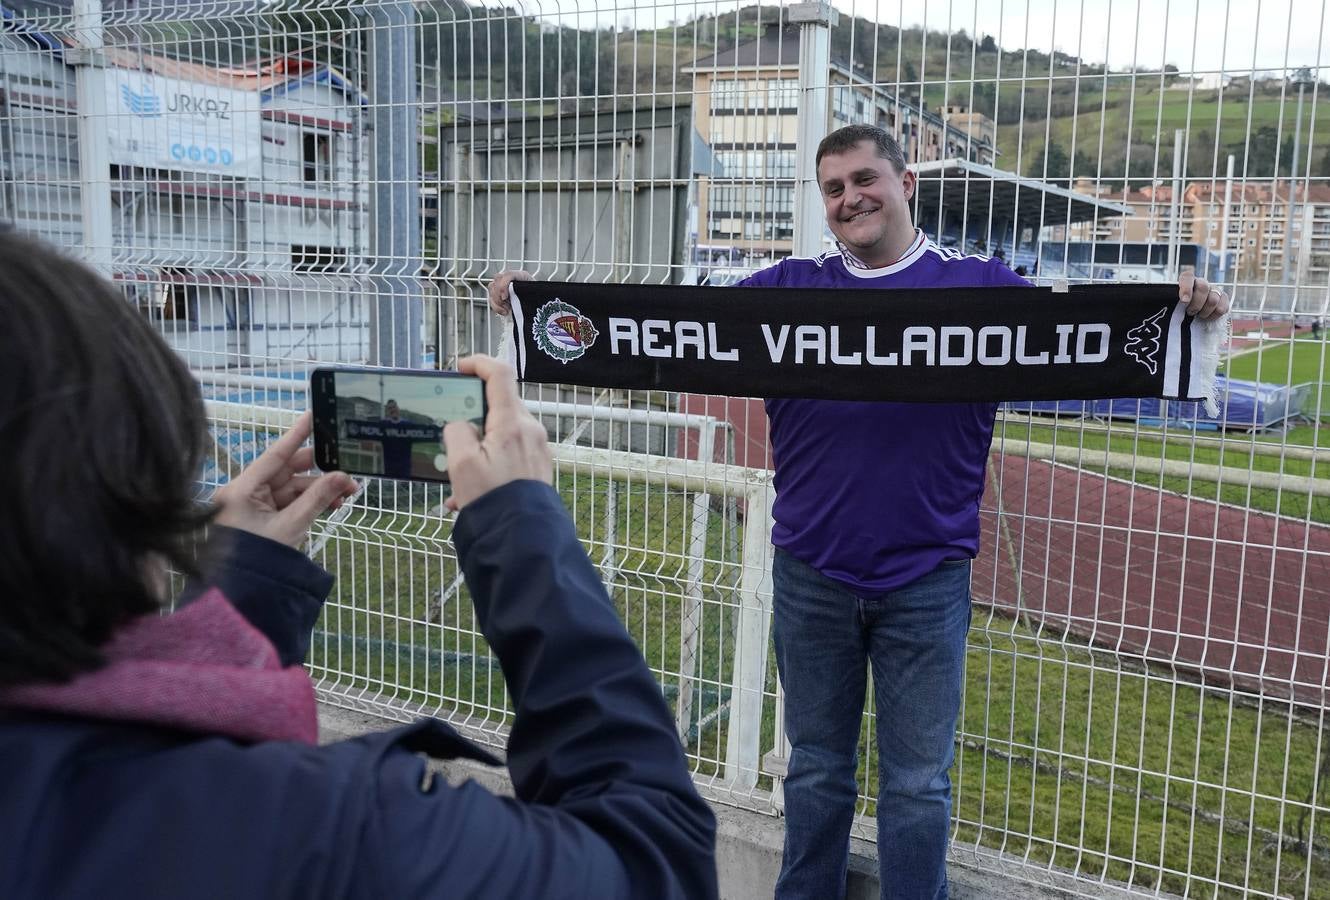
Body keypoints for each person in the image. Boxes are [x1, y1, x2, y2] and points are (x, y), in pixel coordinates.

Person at [487, 123, 1229, 899]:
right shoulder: (781, 296)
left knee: (917, 787)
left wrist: (1190, 315)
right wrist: (533, 309)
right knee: (815, 773)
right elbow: (666, 328)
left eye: (865, 180)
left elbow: (1090, 336)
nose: (851, 199)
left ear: (906, 184)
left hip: (927, 578)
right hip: (812, 572)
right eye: (834, 189)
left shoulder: (980, 291)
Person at [0, 231, 718, 898]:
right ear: (118, 499)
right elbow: (652, 863)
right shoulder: (333, 828)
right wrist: (522, 527)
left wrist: (242, 594)